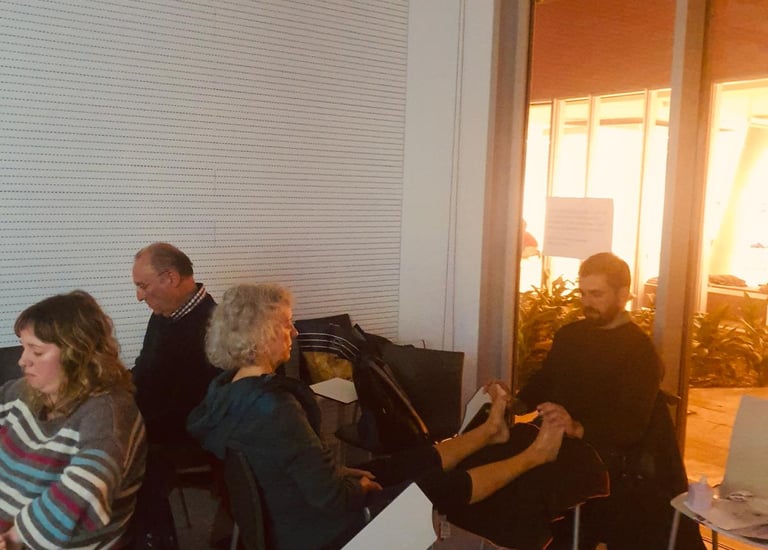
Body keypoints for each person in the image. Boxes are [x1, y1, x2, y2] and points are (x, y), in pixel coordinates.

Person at [187, 283, 607, 550]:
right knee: (433, 487)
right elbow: (330, 499)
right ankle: (534, 456)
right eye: (287, 325)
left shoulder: (226, 393)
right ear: (263, 334)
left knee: (401, 463)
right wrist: (356, 487)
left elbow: (291, 467)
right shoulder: (274, 407)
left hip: (291, 518)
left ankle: (487, 434)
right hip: (324, 532)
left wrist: (346, 474)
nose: (294, 334)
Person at [514, 252, 705, 550]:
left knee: (531, 490)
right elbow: (545, 381)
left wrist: (577, 428)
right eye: (583, 293)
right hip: (564, 448)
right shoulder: (570, 336)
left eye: (597, 294)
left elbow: (630, 426)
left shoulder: (639, 352)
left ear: (623, 294)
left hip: (611, 461)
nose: (587, 302)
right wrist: (515, 404)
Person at [0, 291, 146, 550]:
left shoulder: (108, 413)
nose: (22, 361)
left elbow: (86, 487)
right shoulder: (27, 391)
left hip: (53, 541)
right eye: (23, 347)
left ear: (76, 354)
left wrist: (14, 538)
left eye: (36, 351)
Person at [130, 242, 219, 549]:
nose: (139, 296)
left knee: (127, 461)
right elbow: (144, 369)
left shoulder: (214, 325)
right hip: (157, 422)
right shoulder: (164, 315)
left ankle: (154, 540)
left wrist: (134, 422)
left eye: (143, 286)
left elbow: (195, 407)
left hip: (190, 434)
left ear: (170, 277)